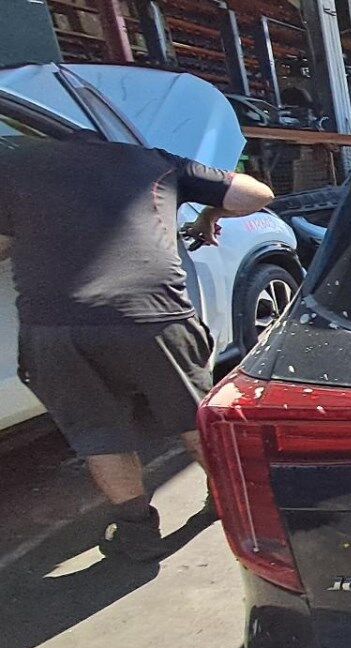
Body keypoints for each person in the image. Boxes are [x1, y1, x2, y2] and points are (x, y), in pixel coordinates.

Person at [0, 129, 274, 562]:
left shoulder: (13, 168)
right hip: (154, 316)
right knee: (196, 420)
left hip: (56, 326)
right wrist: (208, 214)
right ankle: (233, 505)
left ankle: (136, 530)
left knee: (98, 434)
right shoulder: (155, 162)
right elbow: (256, 194)